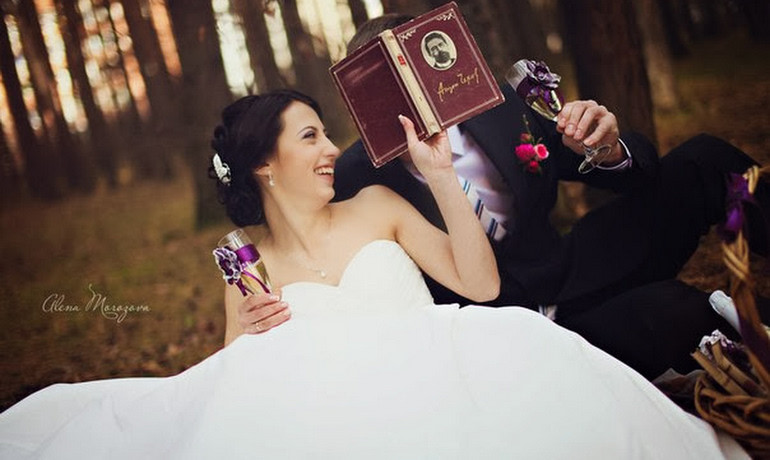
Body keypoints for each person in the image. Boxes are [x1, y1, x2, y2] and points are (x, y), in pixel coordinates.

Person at [0, 90, 748, 458]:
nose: (332, 148)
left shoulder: (376, 204)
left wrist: (440, 176)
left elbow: (482, 288)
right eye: (311, 136)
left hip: (453, 371)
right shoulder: (245, 266)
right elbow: (234, 382)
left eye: (327, 133)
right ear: (263, 164)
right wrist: (248, 336)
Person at [325, 13, 769, 380]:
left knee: (705, 160)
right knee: (680, 311)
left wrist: (607, 148)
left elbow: (627, 172)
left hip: (575, 267)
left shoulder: (496, 105)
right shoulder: (353, 178)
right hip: (517, 336)